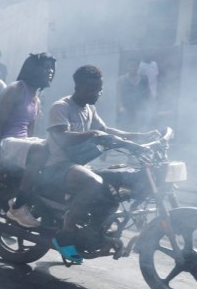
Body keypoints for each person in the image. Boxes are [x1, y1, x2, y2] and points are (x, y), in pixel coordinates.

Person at [40, 65, 159, 264]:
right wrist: (94, 134)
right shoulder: (61, 107)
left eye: (99, 89)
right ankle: (65, 234)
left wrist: (138, 137)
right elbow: (63, 137)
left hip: (78, 166)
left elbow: (107, 131)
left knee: (114, 186)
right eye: (92, 89)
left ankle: (97, 230)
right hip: (57, 166)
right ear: (78, 87)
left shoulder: (89, 109)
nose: (97, 94)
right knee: (94, 183)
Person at [0, 53, 56, 227]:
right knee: (42, 149)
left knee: (55, 148)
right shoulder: (15, 90)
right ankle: (18, 207)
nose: (50, 72)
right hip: (6, 143)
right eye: (46, 68)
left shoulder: (36, 99)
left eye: (52, 69)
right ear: (33, 70)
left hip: (20, 145)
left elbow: (29, 135)